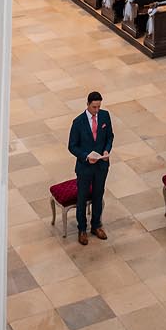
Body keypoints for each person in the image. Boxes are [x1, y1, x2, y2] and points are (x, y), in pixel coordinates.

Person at [67, 91, 113, 246]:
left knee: (98, 195)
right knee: (82, 197)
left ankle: (96, 225)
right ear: (87, 105)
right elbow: (72, 146)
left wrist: (107, 150)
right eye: (94, 107)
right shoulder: (78, 122)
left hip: (101, 165)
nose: (97, 110)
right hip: (85, 167)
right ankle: (82, 229)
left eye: (99, 106)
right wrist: (86, 156)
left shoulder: (105, 116)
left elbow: (109, 137)